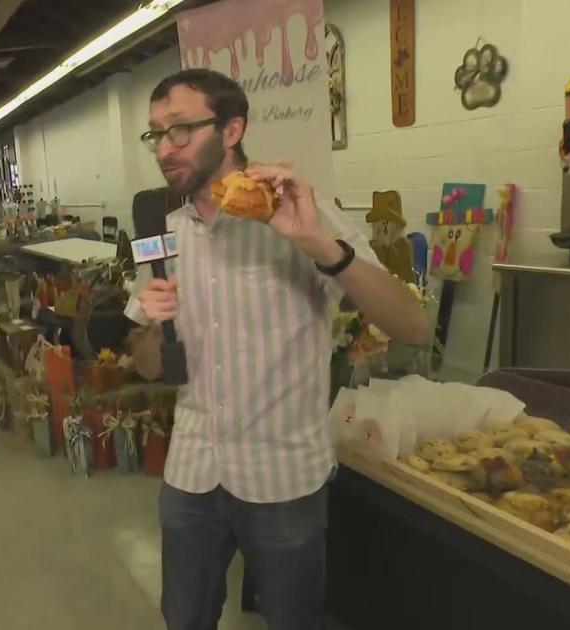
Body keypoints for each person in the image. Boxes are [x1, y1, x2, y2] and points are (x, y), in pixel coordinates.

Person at [128, 69, 430, 630]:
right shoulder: (165, 235)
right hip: (191, 476)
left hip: (284, 480)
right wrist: (152, 326)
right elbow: (147, 365)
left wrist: (316, 242)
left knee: (294, 619)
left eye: (181, 130)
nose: (165, 149)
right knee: (183, 618)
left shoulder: (298, 216)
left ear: (233, 128)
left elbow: (411, 324)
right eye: (155, 135)